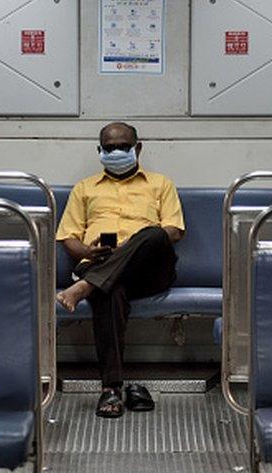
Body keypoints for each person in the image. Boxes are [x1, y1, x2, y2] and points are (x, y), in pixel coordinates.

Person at [55, 122, 185, 419]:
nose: (116, 152)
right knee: (109, 290)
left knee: (151, 234)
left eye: (123, 147)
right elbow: (69, 239)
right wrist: (88, 252)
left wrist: (129, 247)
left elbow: (174, 232)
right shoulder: (84, 188)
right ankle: (110, 389)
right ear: (100, 151)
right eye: (109, 148)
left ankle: (85, 286)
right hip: (99, 265)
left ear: (137, 148)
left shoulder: (160, 183)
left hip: (150, 272)